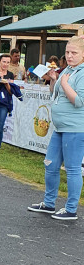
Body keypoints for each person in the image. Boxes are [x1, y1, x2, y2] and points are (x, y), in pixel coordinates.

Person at [28, 36, 84, 221]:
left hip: (75, 128)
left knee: (72, 168)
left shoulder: (82, 73)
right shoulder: (68, 69)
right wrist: (54, 80)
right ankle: (49, 203)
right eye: (67, 52)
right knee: (50, 164)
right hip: (59, 127)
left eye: (74, 53)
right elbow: (55, 94)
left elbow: (78, 101)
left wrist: (65, 83)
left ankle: (71, 209)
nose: (69, 56)